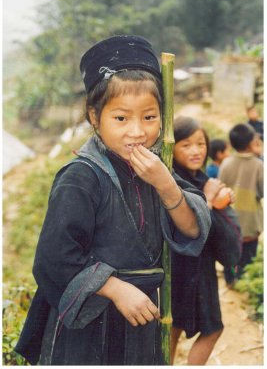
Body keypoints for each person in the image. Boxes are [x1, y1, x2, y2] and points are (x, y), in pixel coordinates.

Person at [15, 35, 211, 365]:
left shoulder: (155, 168)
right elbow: (54, 259)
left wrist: (167, 186)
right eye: (121, 118)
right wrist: (116, 289)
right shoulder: (81, 177)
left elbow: (192, 230)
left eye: (149, 117)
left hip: (142, 324)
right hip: (91, 329)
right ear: (95, 117)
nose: (137, 132)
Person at [170, 116, 240, 366]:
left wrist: (222, 202)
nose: (196, 150)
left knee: (174, 325)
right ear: (171, 147)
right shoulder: (174, 181)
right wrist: (209, 201)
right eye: (186, 145)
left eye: (201, 144)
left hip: (198, 267)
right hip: (187, 268)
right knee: (211, 329)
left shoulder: (200, 178)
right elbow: (188, 226)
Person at [219, 123, 263, 286]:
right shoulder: (258, 165)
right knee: (248, 255)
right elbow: (262, 191)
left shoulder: (226, 163)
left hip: (230, 220)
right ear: (252, 143)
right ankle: (245, 281)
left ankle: (230, 279)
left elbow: (221, 188)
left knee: (231, 254)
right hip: (250, 221)